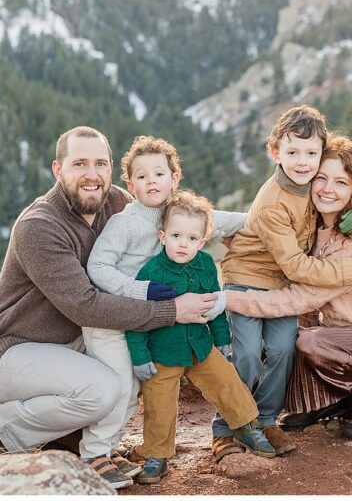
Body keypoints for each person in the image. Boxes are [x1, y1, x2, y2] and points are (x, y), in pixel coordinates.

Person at [0, 126, 219, 488]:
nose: (92, 174)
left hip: (71, 343)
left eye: (100, 163)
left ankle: (83, 445)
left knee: (132, 374)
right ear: (58, 170)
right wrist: (172, 311)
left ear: (112, 168)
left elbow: (180, 219)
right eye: (79, 163)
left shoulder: (117, 203)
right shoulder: (39, 227)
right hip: (10, 350)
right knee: (102, 390)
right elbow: (86, 306)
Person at [211, 105, 352, 460]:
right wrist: (348, 270)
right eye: (292, 153)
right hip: (249, 277)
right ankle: (226, 427)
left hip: (282, 288)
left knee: (282, 349)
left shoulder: (316, 177)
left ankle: (265, 419)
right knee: (244, 353)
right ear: (275, 153)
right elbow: (294, 265)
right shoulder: (273, 202)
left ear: (321, 153)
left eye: (311, 153)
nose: (303, 162)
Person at [223, 136, 352, 440]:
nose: (328, 189)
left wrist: (231, 300)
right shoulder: (314, 221)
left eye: (341, 183)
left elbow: (301, 298)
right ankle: (326, 401)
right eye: (322, 178)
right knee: (292, 334)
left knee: (308, 342)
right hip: (346, 333)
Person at [81, 137, 245, 484]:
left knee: (143, 384)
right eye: (141, 176)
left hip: (151, 321)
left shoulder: (182, 216)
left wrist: (261, 221)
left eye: (159, 173)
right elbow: (98, 267)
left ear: (175, 178)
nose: (151, 181)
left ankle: (111, 450)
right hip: (112, 317)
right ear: (129, 185)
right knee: (123, 384)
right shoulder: (124, 224)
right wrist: (142, 290)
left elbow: (229, 220)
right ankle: (94, 456)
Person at [126, 190, 276, 484]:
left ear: (202, 241)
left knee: (227, 382)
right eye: (177, 236)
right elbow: (136, 317)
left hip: (200, 346)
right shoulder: (150, 271)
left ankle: (248, 426)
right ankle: (157, 456)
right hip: (163, 351)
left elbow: (214, 304)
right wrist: (140, 356)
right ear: (162, 236)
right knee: (159, 403)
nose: (184, 244)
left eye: (192, 239)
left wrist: (222, 337)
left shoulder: (206, 264)